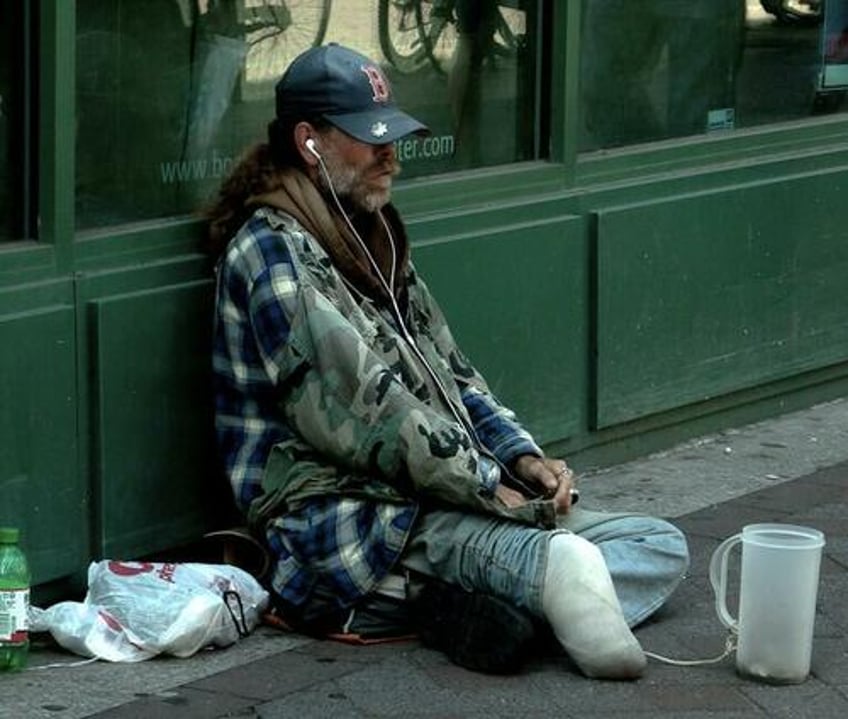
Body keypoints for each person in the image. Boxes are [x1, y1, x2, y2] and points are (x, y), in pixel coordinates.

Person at [205, 42, 689, 680]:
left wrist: (521, 458)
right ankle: (525, 592)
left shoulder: (367, 233)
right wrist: (491, 490)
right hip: (351, 518)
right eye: (369, 138)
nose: (390, 155)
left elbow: (452, 376)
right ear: (309, 141)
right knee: (556, 560)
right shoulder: (270, 253)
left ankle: (473, 606)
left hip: (436, 490)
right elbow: (372, 414)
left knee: (658, 545)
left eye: (393, 136)